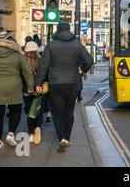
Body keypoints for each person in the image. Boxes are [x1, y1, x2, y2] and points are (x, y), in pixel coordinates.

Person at [36, 21, 93, 153]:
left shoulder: (51, 45)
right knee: (69, 111)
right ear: (69, 29)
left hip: (55, 83)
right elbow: (89, 60)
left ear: (58, 30)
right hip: (73, 83)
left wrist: (38, 83)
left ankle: (61, 137)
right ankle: (67, 137)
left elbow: (43, 66)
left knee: (58, 112)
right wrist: (82, 70)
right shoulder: (77, 45)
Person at [23, 40, 43, 145]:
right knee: (38, 109)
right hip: (38, 89)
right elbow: (45, 74)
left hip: (27, 91)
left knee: (29, 112)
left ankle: (31, 133)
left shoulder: (23, 62)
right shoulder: (40, 61)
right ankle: (38, 127)